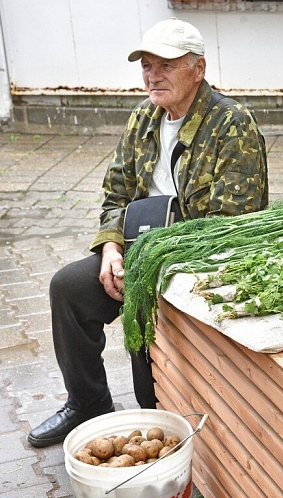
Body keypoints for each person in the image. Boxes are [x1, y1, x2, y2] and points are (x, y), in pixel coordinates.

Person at [27, 18, 269, 448]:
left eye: (167, 65)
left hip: (197, 258)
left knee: (148, 369)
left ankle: (167, 420)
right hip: (138, 250)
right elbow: (115, 190)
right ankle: (88, 404)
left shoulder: (232, 123)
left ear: (198, 68)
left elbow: (234, 222)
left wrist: (148, 260)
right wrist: (112, 248)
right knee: (68, 288)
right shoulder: (144, 117)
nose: (153, 76)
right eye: (147, 66)